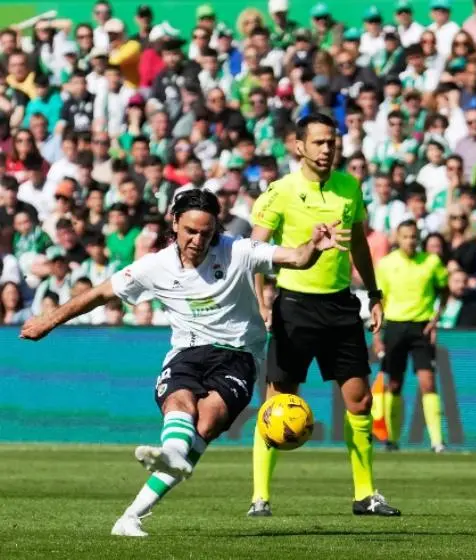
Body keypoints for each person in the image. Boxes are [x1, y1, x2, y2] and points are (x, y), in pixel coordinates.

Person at [19, 189, 346, 537]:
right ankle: (156, 479)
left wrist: (312, 247)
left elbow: (295, 257)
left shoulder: (238, 250)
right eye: (191, 230)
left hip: (238, 355)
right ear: (174, 223)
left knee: (207, 423)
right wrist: (49, 320)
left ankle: (135, 509)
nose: (198, 239)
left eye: (206, 232)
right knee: (180, 402)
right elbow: (100, 293)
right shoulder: (155, 266)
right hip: (187, 352)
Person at [248, 113, 398, 518]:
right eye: (318, 142)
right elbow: (253, 254)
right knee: (277, 402)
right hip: (293, 307)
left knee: (360, 400)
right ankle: (260, 497)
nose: (327, 148)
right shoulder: (279, 192)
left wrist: (373, 292)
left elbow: (360, 247)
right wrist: (262, 302)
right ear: (299, 146)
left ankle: (365, 494)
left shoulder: (350, 187)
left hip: (340, 306)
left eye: (331, 141)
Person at [373, 220, 450, 453]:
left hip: (421, 327)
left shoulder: (431, 262)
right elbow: (379, 300)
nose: (410, 241)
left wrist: (436, 318)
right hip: (395, 326)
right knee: (394, 384)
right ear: (397, 238)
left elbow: (445, 289)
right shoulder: (386, 264)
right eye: (406, 236)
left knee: (428, 382)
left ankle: (437, 441)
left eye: (414, 237)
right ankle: (392, 440)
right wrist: (378, 334)